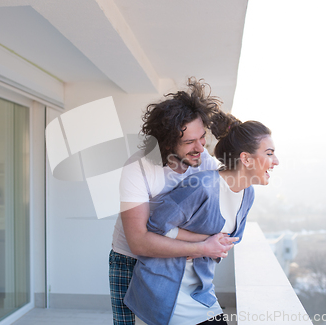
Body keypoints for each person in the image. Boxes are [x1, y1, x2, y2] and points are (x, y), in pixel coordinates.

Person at [124, 116, 279, 325]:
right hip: (168, 292)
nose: (276, 161)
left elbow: (226, 242)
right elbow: (156, 227)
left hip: (202, 292)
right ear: (246, 159)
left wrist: (209, 245)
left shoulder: (247, 194)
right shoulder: (202, 185)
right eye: (269, 154)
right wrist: (203, 244)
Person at [109, 78, 239, 325]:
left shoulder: (205, 164)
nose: (200, 148)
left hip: (179, 256)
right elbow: (138, 241)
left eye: (202, 138)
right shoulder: (137, 168)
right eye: (189, 142)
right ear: (167, 142)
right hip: (130, 259)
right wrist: (202, 246)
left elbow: (221, 219)